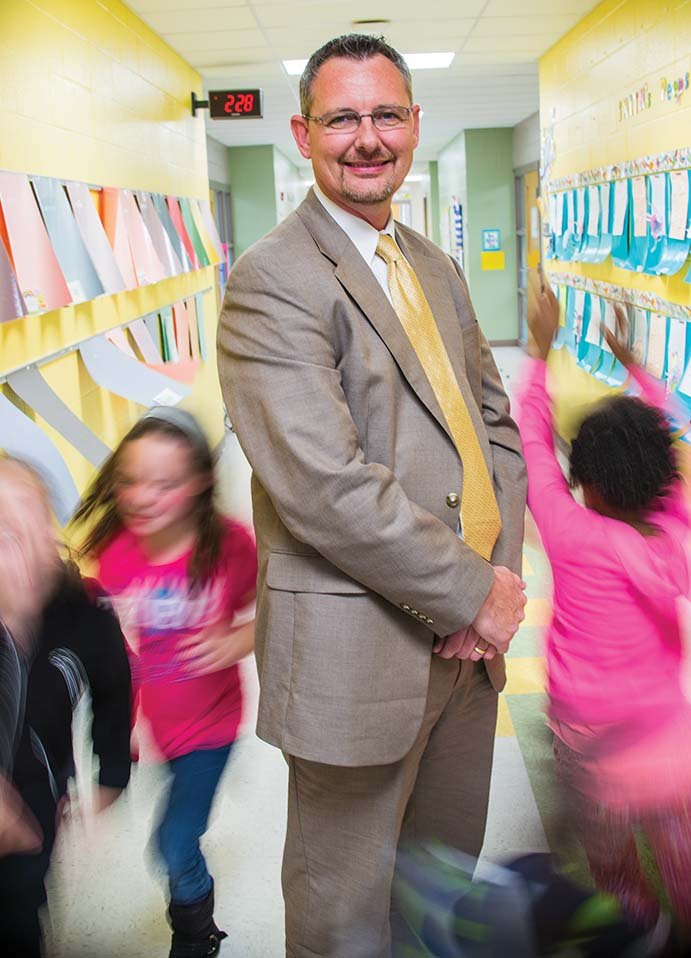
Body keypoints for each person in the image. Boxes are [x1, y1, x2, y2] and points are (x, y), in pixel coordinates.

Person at [217, 33, 527, 957]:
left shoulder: (429, 264)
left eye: (385, 114)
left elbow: (492, 433)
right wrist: (472, 592)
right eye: (341, 118)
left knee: (437, 892)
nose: (367, 137)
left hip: (467, 656)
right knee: (345, 917)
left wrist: (492, 592)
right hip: (359, 656)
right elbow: (324, 488)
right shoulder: (272, 281)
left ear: (414, 124)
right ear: (302, 133)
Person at [519, 272, 691, 937]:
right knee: (682, 855)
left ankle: (634, 927)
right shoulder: (674, 526)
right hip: (667, 739)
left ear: (584, 482)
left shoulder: (570, 534)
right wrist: (637, 369)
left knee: (615, 869)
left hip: (586, 739)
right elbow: (670, 436)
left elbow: (531, 441)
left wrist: (538, 350)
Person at [72, 406, 257, 958]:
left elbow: (276, 610)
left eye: (165, 484)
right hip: (162, 729)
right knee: (179, 826)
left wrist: (237, 641)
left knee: (173, 846)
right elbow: (118, 658)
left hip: (214, 726)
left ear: (200, 482)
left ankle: (197, 934)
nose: (144, 497)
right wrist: (121, 732)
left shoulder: (231, 546)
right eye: (131, 481)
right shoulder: (118, 556)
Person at [0, 455, 132, 957]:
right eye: (3, 528)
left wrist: (111, 776)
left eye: (33, 518)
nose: (23, 543)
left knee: (18, 914)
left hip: (36, 802)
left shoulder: (87, 615)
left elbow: (114, 693)